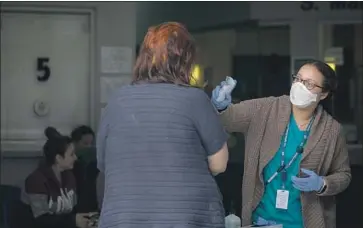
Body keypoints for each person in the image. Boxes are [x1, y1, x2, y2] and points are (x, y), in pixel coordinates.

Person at [97, 22, 229, 228]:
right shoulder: (195, 99)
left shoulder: (116, 101)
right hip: (185, 218)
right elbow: (219, 164)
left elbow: (104, 163)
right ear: (185, 60)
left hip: (123, 219)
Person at [211, 60, 351, 228]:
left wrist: (323, 184)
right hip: (261, 220)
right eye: (298, 79)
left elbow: (343, 174)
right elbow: (230, 119)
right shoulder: (267, 109)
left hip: (304, 223)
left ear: (323, 94)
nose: (300, 86)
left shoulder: (331, 130)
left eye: (309, 83)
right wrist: (220, 107)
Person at [22, 127, 96, 228]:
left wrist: (85, 218)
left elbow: (72, 210)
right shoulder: (36, 181)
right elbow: (40, 220)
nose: (75, 157)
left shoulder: (69, 176)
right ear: (58, 158)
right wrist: (73, 221)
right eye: (71, 154)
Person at [71, 125, 99, 213]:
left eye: (92, 144)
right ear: (74, 143)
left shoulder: (94, 163)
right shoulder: (68, 166)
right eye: (85, 143)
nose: (89, 147)